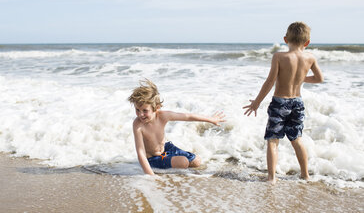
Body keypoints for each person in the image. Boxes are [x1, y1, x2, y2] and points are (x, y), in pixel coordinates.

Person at [243, 22, 324, 184]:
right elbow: (319, 79)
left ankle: (272, 178)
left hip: (280, 103)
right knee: (297, 139)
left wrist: (257, 102)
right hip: (297, 103)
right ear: (307, 42)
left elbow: (270, 81)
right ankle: (305, 175)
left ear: (285, 39)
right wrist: (301, 78)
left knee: (273, 140)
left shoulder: (279, 57)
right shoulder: (310, 58)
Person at [128, 79, 225, 175]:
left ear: (156, 107)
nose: (141, 114)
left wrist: (211, 119)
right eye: (137, 110)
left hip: (167, 149)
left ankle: (173, 161)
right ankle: (172, 166)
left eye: (145, 110)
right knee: (183, 162)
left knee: (197, 161)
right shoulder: (138, 125)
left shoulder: (162, 116)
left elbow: (187, 116)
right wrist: (151, 176)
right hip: (153, 159)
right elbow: (140, 152)